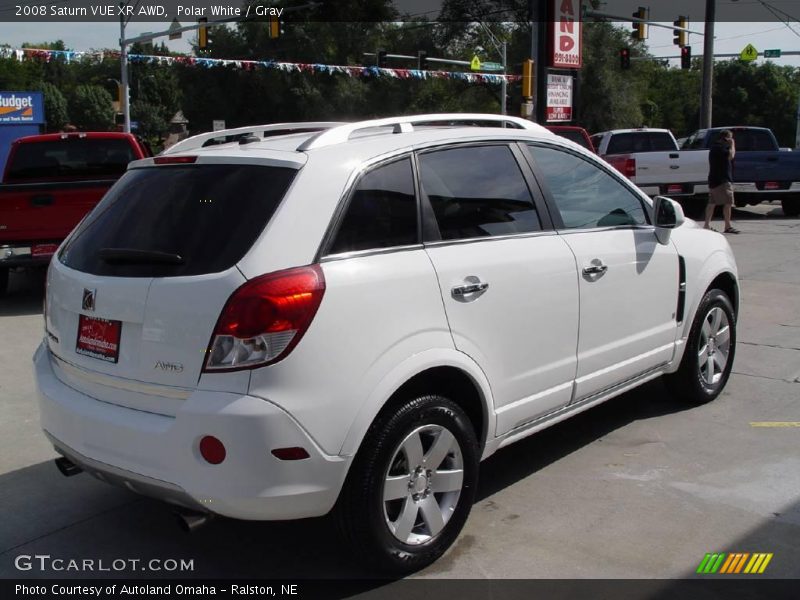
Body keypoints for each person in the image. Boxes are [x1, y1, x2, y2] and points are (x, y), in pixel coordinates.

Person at [704, 129, 739, 234]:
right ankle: (727, 226)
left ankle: (706, 224)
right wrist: (733, 145)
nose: (731, 139)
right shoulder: (720, 148)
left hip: (714, 179)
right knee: (728, 203)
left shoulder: (715, 147)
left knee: (712, 203)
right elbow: (731, 156)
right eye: (730, 137)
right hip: (723, 180)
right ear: (726, 138)